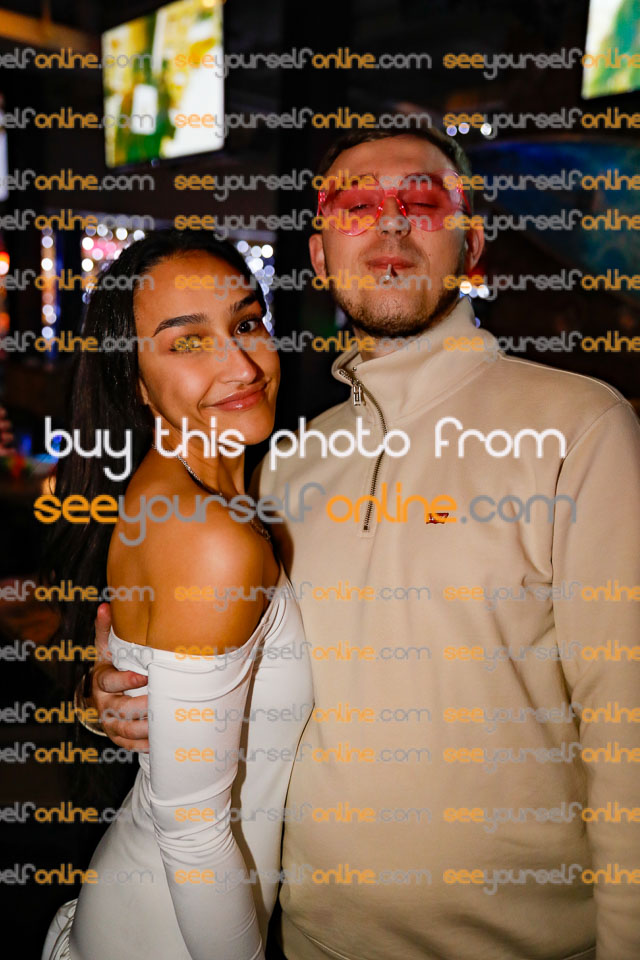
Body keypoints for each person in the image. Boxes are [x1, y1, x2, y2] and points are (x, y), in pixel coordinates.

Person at [85, 129, 640, 960]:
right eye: (355, 206)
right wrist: (124, 696)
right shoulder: (283, 464)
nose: (389, 225)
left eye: (421, 201)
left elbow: (627, 731)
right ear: (319, 254)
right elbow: (229, 683)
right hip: (306, 938)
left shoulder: (579, 427)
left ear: (472, 245)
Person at [40, 231, 313, 960]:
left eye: (246, 323)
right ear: (133, 379)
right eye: (188, 341)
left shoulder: (210, 497)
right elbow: (193, 831)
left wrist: (101, 698)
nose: (242, 364)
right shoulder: (208, 536)